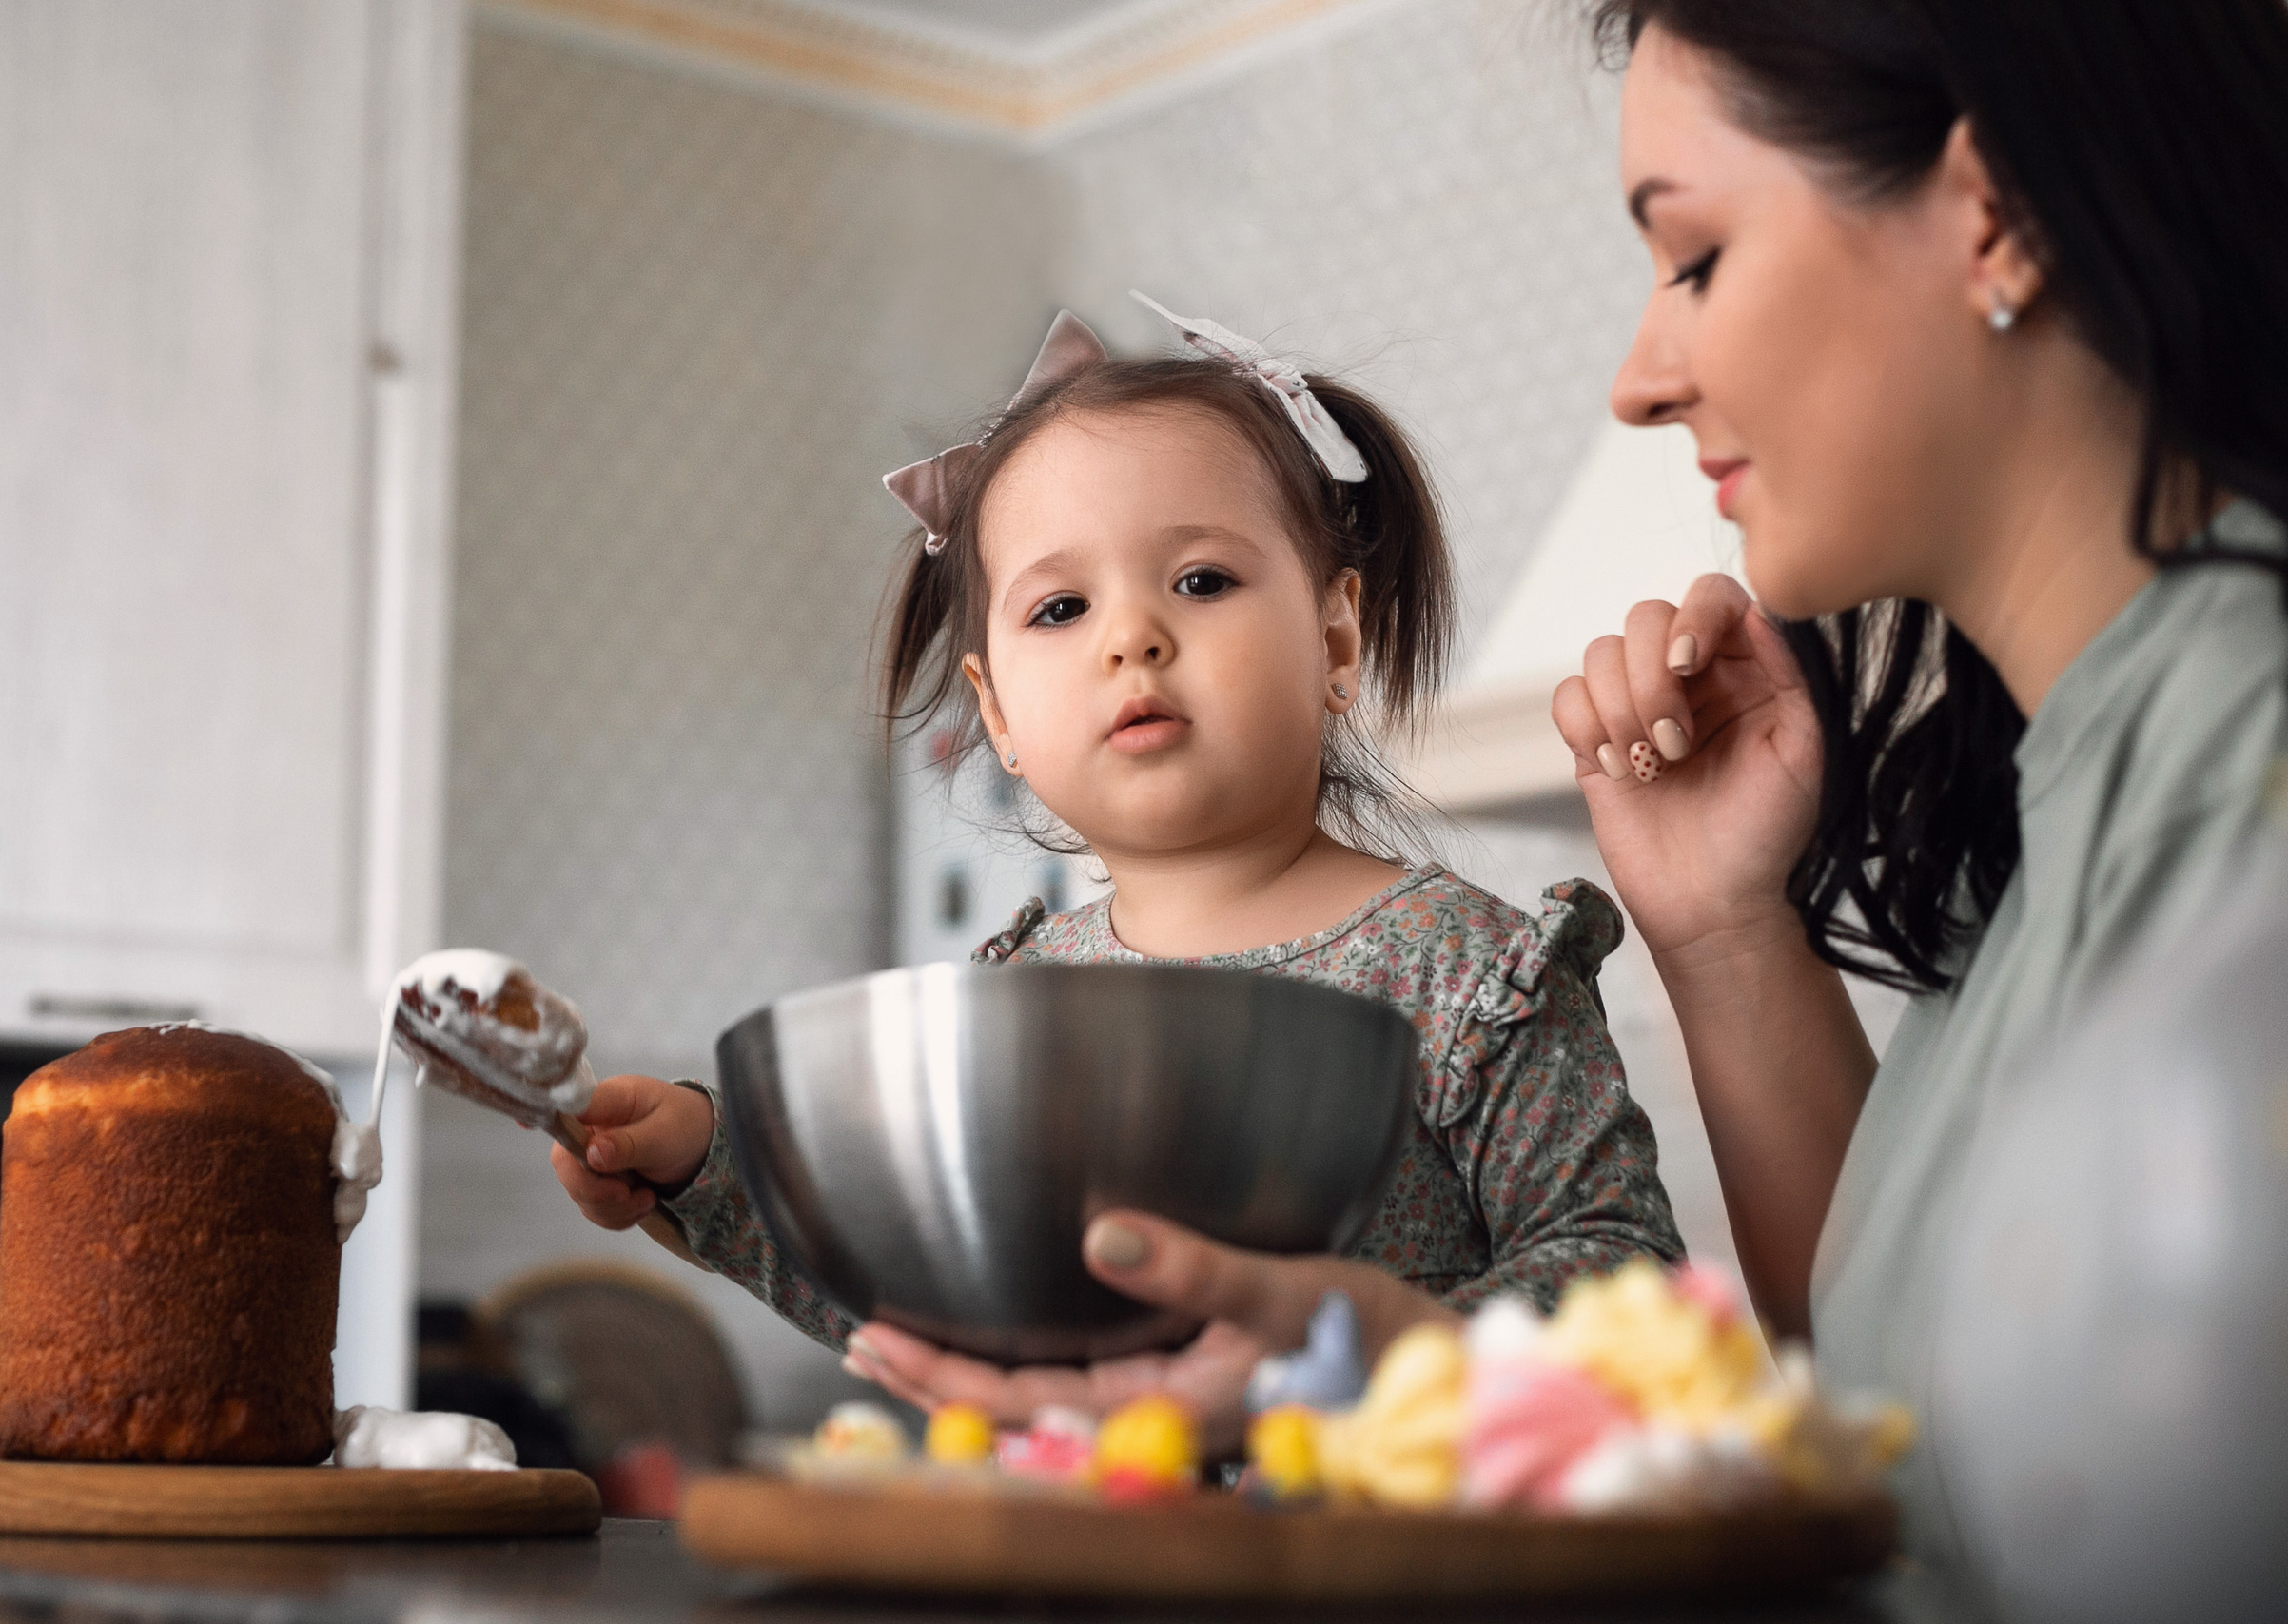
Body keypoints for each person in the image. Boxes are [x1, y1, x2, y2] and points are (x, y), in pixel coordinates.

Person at [868, 0, 2288, 1568]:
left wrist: (1401, 1362)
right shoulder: (2050, 794)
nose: (1639, 378)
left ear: (1991, 216)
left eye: (1692, 259)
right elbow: (1895, 1422)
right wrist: (1725, 925)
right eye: (1059, 607)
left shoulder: (2240, 748)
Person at [550, 296, 1684, 1443]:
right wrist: (702, 1163)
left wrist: (1373, 1362)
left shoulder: (1476, 972)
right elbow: (932, 1315)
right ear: (997, 714)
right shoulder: (1013, 1007)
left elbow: (1622, 1287)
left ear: (1336, 641)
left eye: (1199, 581)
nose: (1128, 636)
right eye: (1058, 607)